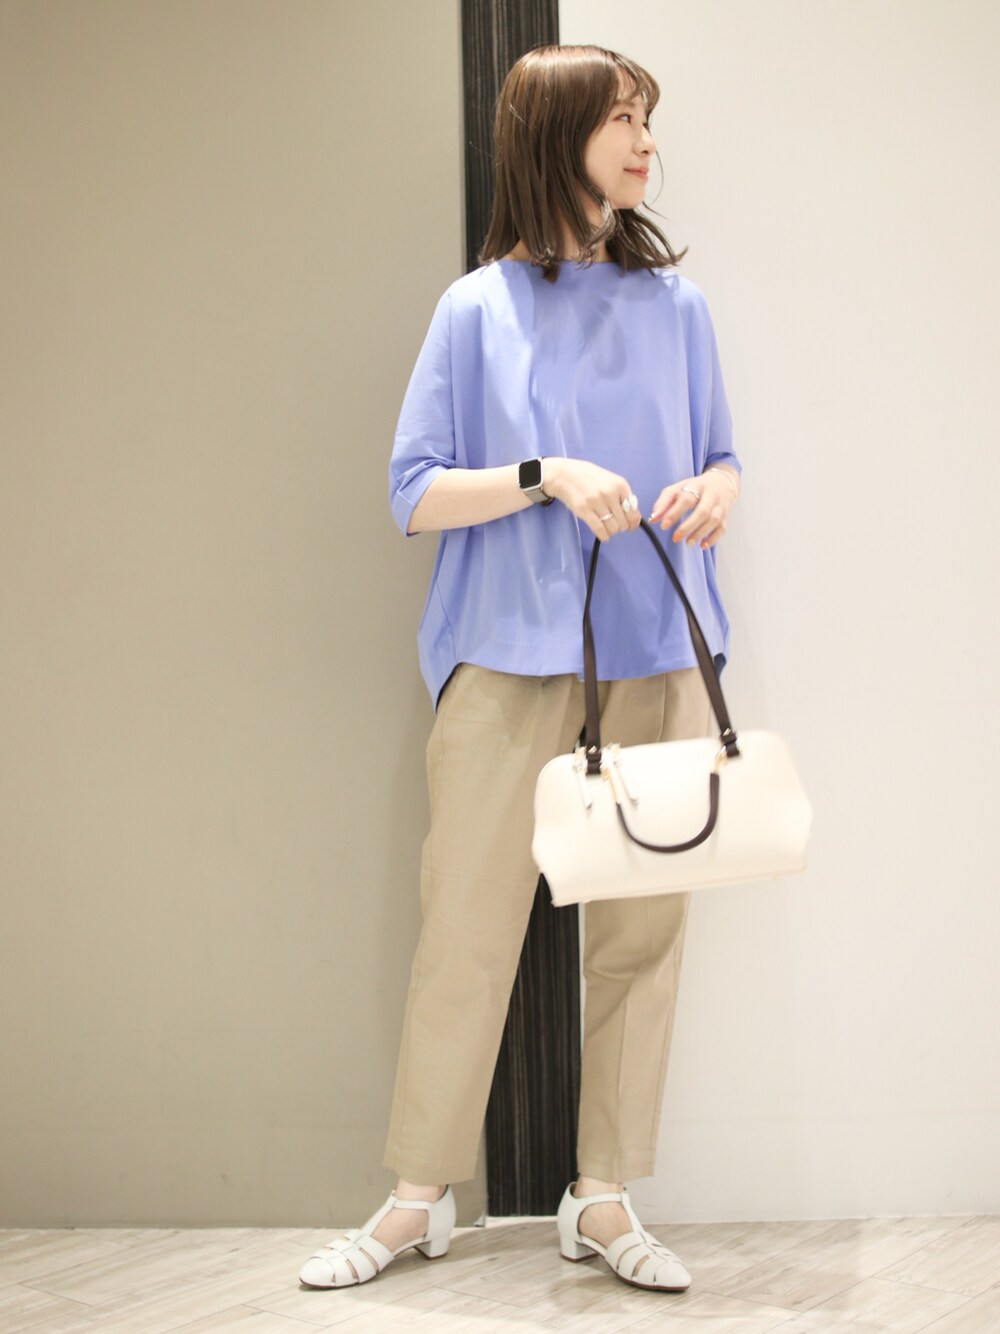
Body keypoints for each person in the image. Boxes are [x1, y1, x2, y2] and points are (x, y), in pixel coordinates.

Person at [299, 43, 741, 1295]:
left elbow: (723, 455)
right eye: (621, 118)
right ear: (554, 134)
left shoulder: (678, 309)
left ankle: (601, 1194)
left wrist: (716, 490)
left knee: (641, 934)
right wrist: (546, 474)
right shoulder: (474, 310)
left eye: (647, 118)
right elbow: (413, 492)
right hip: (502, 657)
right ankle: (417, 1198)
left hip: (657, 653)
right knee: (467, 930)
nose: (645, 141)